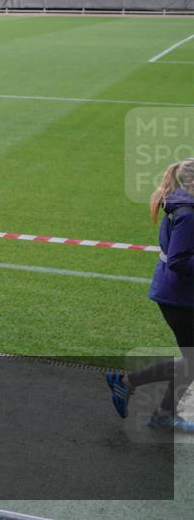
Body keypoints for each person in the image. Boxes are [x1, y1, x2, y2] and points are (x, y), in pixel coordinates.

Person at [107, 158, 194, 432]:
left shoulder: (180, 204)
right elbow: (179, 259)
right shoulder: (189, 214)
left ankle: (162, 412)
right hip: (179, 298)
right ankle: (127, 384)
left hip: (175, 293)